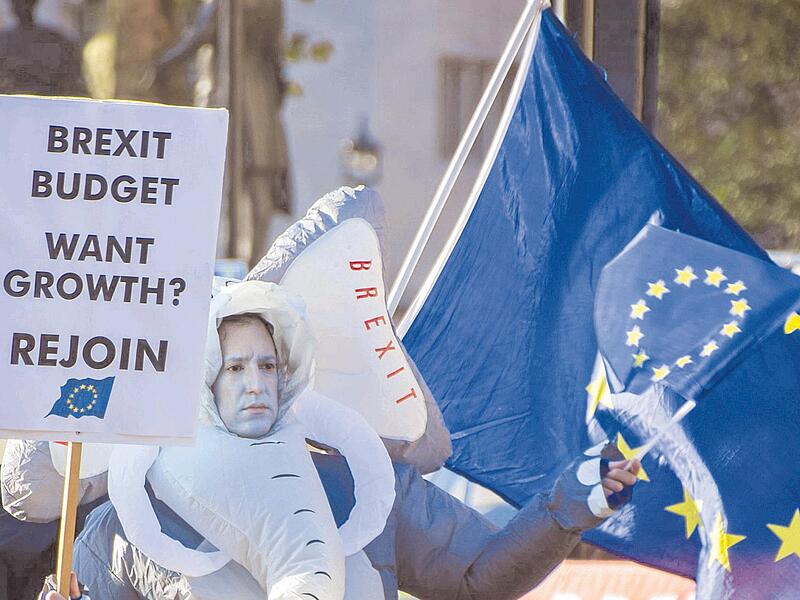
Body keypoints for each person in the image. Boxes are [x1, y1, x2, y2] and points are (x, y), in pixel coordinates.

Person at [4, 280, 639, 599]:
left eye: (267, 364)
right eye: (233, 367)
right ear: (198, 380)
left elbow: (476, 578)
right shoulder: (125, 525)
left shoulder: (367, 488)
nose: (255, 384)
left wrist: (567, 507)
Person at [0, 0, 86, 95]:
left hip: (51, 103)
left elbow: (72, 82)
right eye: (17, 2)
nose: (22, 6)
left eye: (26, 2)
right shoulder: (4, 40)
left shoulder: (59, 42)